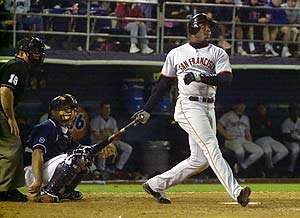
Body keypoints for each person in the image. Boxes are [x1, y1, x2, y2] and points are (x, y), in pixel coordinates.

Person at [132, 13, 251, 207]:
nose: (208, 29)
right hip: (188, 105)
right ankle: (237, 192)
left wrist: (199, 77)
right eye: (204, 25)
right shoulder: (176, 53)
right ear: (194, 27)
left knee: (199, 160)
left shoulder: (218, 52)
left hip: (208, 106)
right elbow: (162, 85)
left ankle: (155, 184)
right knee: (212, 146)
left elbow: (226, 79)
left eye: (209, 26)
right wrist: (147, 110)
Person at [24, 94, 121, 203]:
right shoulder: (47, 127)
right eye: (65, 109)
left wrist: (103, 146)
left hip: (48, 169)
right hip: (34, 171)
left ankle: (66, 192)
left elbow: (85, 151)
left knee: (86, 158)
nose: (70, 112)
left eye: (72, 109)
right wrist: (38, 180)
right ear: (53, 112)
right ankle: (49, 193)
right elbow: (37, 153)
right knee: (78, 157)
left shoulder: (64, 131)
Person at [0, 37, 45, 202]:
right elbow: (5, 90)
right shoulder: (18, 66)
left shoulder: (17, 65)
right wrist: (10, 117)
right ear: (25, 52)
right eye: (36, 51)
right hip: (1, 112)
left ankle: (8, 188)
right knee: (13, 146)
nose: (39, 55)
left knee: (11, 147)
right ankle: (4, 190)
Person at [217, 100, 264, 176]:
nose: (242, 106)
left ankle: (242, 166)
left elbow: (247, 132)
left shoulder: (245, 118)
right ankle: (239, 167)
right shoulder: (228, 115)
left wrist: (250, 143)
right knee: (240, 152)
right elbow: (219, 126)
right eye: (239, 104)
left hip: (242, 139)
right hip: (231, 139)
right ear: (234, 106)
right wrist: (226, 136)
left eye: (243, 105)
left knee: (259, 151)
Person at [90, 102, 133, 173]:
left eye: (108, 108)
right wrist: (109, 137)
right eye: (105, 108)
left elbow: (117, 135)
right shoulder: (95, 120)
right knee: (104, 147)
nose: (107, 110)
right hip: (97, 143)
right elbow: (97, 136)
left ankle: (118, 168)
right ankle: (102, 170)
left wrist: (111, 139)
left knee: (128, 148)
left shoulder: (112, 120)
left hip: (111, 141)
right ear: (101, 109)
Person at [250, 103, 288, 175]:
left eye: (263, 108)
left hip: (269, 138)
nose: (262, 110)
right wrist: (264, 129)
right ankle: (270, 170)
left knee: (284, 151)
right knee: (268, 151)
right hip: (259, 139)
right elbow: (255, 132)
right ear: (257, 110)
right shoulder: (253, 118)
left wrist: (264, 129)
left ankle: (268, 166)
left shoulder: (268, 118)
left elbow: (272, 131)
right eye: (260, 108)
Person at [281, 104, 300, 177]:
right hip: (290, 142)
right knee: (296, 150)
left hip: (297, 141)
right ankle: (290, 170)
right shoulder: (286, 122)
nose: (295, 112)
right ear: (289, 112)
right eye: (293, 110)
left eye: (297, 110)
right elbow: (288, 137)